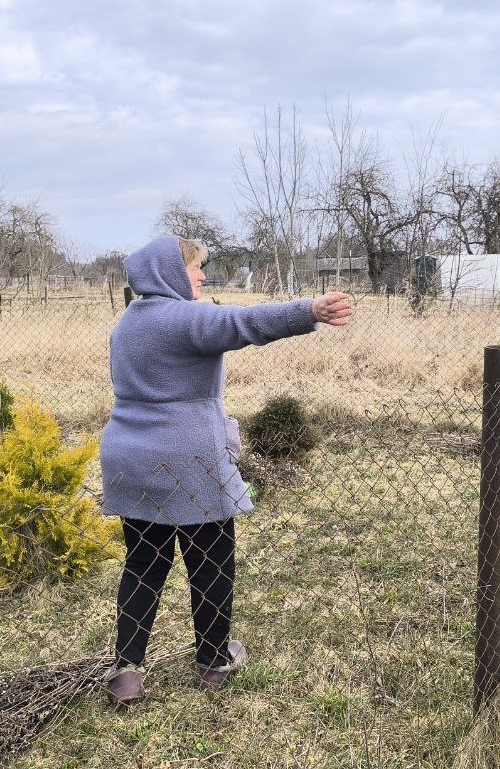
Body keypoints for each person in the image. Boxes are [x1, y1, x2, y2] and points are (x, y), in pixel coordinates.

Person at [100, 235, 353, 706]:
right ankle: (214, 660)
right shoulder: (182, 318)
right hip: (187, 460)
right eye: (197, 268)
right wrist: (309, 311)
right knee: (211, 560)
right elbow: (242, 322)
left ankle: (127, 673)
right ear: (171, 273)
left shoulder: (127, 323)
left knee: (142, 565)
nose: (203, 277)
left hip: (129, 457)